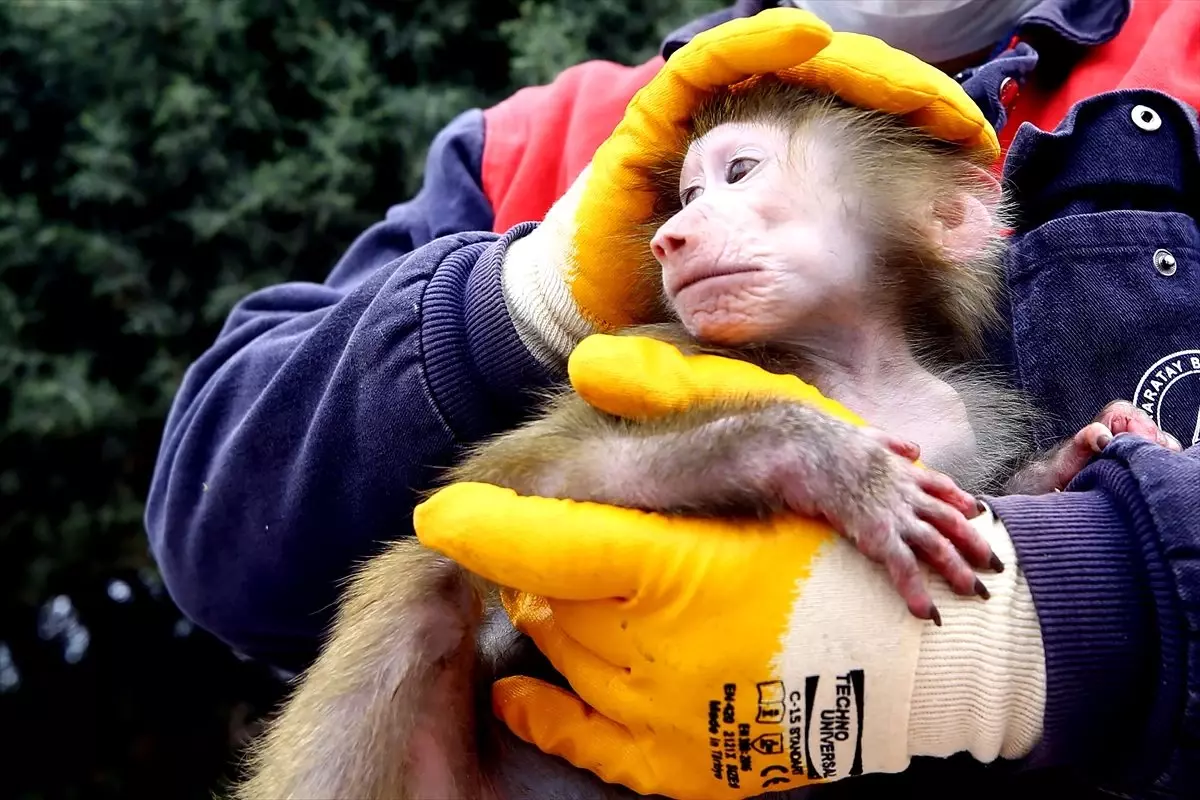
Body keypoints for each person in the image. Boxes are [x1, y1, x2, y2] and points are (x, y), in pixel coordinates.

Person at [143, 0, 1200, 796]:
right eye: (683, 194)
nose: (671, 231)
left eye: (738, 175)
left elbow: (969, 517)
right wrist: (521, 298)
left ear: (954, 215)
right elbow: (219, 520)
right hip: (518, 732)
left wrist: (1100, 591)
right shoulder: (554, 141)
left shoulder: (1176, 52)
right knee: (417, 591)